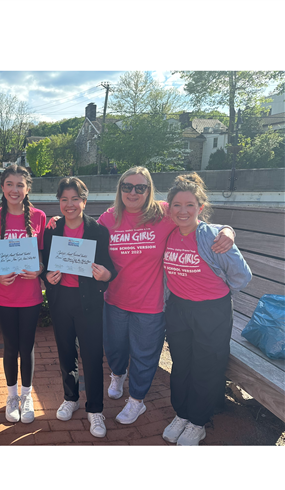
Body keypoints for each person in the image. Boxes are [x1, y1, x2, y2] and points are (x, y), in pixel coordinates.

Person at [97, 166, 235, 425]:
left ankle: (137, 401)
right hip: (115, 300)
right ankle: (118, 374)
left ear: (149, 190)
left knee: (144, 354)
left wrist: (227, 230)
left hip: (150, 304)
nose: (133, 192)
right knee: (115, 347)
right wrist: (56, 223)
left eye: (141, 187)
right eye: (127, 186)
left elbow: (195, 219)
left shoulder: (163, 214)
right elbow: (85, 233)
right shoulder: (109, 218)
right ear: (120, 190)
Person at [162, 173, 251, 445]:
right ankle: (182, 413)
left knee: (206, 366)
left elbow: (242, 277)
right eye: (177, 205)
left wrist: (214, 294)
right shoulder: (169, 232)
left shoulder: (213, 237)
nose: (183, 211)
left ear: (200, 208)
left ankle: (199, 421)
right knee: (181, 364)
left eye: (190, 205)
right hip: (178, 309)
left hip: (211, 311)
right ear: (169, 208)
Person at [41, 177, 117, 438]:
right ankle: (70, 397)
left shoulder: (97, 231)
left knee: (93, 356)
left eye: (75, 199)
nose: (69, 204)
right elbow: (45, 263)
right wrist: (46, 277)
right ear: (59, 202)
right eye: (64, 199)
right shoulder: (51, 229)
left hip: (89, 303)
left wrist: (105, 275)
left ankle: (95, 408)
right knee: (65, 353)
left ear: (84, 201)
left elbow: (110, 267)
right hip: (61, 300)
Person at [0, 164, 46, 424]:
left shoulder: (40, 217)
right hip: (5, 295)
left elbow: (42, 254)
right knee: (10, 346)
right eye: (10, 184)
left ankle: (27, 395)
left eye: (20, 185)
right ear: (2, 187)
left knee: (27, 345)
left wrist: (40, 270)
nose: (15, 189)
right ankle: (11, 396)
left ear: (28, 188)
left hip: (30, 294)